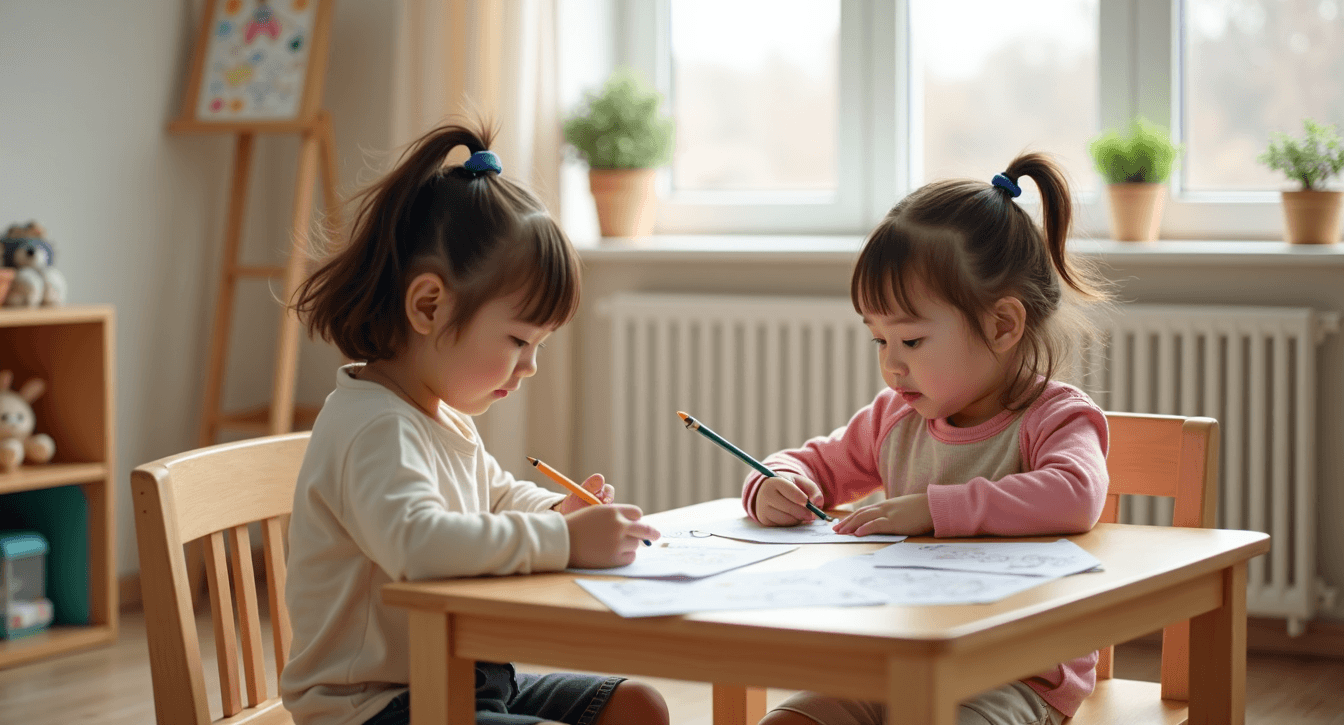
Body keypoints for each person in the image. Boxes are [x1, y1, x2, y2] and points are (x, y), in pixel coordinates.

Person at [281, 121, 667, 725]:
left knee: (637, 708)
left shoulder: (441, 416)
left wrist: (553, 513)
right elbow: (420, 544)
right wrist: (565, 543)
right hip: (375, 706)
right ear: (429, 306)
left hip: (466, 679)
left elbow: (495, 493)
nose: (530, 365)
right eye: (518, 339)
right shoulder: (373, 426)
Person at [744, 153, 1111, 725]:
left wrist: (933, 510)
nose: (892, 366)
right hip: (895, 655)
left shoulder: (1055, 418)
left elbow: (1075, 494)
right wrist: (777, 483)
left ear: (1002, 325)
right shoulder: (896, 416)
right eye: (878, 342)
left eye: (911, 341)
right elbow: (811, 461)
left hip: (1016, 672)